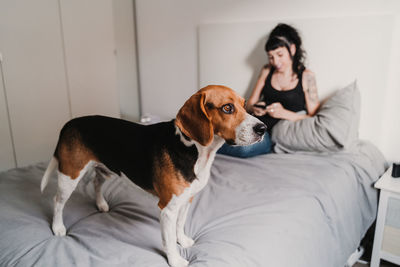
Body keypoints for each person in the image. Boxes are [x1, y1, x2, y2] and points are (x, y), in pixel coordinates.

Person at [218, 23, 320, 158]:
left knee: (244, 150)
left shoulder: (307, 76)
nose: (275, 61)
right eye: (271, 56)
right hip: (254, 123)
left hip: (268, 134)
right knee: (220, 135)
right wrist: (255, 108)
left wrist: (284, 113)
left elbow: (313, 118)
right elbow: (248, 105)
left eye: (279, 55)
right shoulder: (266, 70)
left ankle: (201, 145)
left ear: (292, 49)